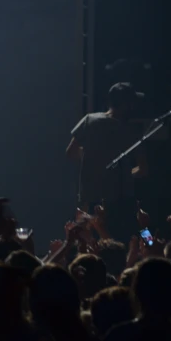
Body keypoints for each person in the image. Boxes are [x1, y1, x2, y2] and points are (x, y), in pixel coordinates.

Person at [66, 82, 147, 241]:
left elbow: (71, 152)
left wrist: (93, 161)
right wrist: (128, 174)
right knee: (123, 243)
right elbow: (143, 169)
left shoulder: (89, 120)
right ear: (126, 104)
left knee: (89, 246)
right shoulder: (131, 130)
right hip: (121, 203)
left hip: (90, 202)